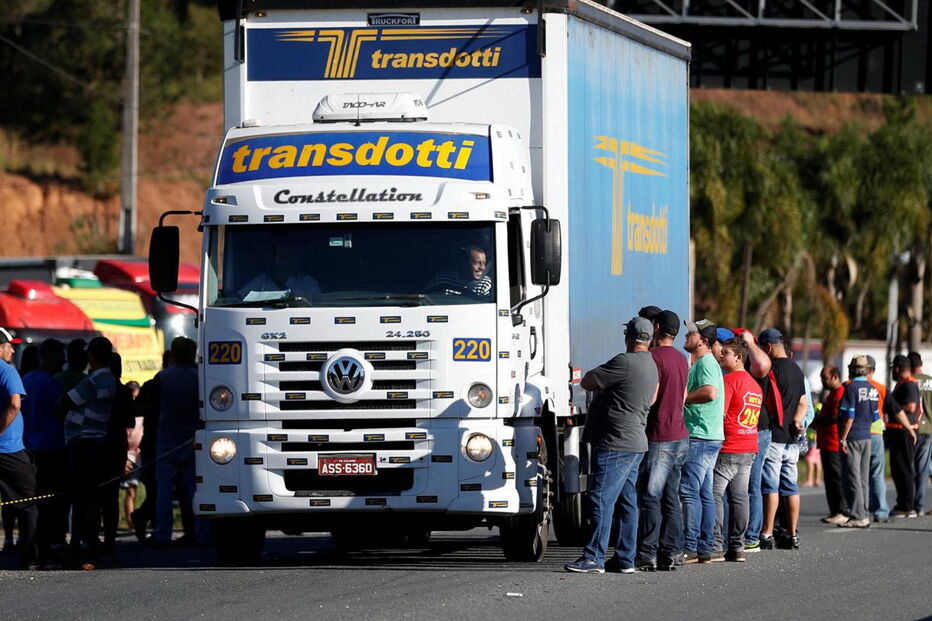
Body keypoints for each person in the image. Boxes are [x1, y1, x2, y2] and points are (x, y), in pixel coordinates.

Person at [565, 317, 658, 573]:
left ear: (628, 336)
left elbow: (588, 381)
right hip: (634, 441)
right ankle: (625, 558)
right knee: (627, 503)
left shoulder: (624, 362)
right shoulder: (650, 363)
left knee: (600, 499)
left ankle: (593, 557)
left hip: (616, 443)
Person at [55, 336, 117, 567]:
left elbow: (65, 402)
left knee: (83, 497)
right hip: (97, 441)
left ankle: (81, 545)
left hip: (84, 442)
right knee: (91, 496)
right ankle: (89, 542)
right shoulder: (109, 379)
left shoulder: (95, 380)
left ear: (91, 356)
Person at [635, 309, 689, 572]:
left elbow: (652, 397)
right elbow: (683, 395)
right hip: (680, 434)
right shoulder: (681, 358)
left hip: (660, 435)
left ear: (656, 328)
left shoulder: (654, 357)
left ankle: (647, 553)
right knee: (671, 497)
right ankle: (672, 551)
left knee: (650, 497)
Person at [757, 328, 807, 550]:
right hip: (792, 439)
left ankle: (767, 533)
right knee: (791, 487)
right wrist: (797, 420)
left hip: (774, 437)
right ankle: (792, 533)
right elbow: (803, 403)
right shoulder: (797, 370)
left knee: (771, 486)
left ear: (768, 347)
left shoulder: (771, 369)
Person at [679, 318, 724, 564]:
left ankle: (691, 545)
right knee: (704, 492)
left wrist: (684, 398)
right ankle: (705, 546)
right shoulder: (705, 362)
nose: (687, 336)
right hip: (708, 434)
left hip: (700, 434)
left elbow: (710, 392)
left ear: (703, 341)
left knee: (689, 491)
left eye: (692, 334)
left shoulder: (706, 362)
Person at [20, 338, 68, 567]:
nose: (63, 361)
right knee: (52, 499)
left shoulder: (26, 380)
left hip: (28, 445)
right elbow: (60, 412)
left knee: (33, 499)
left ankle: (33, 546)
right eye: (60, 357)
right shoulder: (51, 383)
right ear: (51, 357)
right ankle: (52, 545)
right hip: (52, 446)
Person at [712, 338, 760, 563]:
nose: (721, 356)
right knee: (740, 498)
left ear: (739, 357)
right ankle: (737, 546)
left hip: (729, 446)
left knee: (714, 494)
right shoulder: (755, 385)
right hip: (748, 446)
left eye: (726, 353)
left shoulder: (729, 381)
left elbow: (720, 413)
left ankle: (715, 544)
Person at [152, 337, 202, 546]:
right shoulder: (199, 377)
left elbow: (153, 407)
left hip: (167, 439)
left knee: (164, 489)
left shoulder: (162, 377)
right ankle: (202, 533)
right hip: (192, 440)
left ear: (173, 354)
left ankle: (162, 533)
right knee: (195, 489)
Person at [0, 327, 37, 569]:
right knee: (28, 503)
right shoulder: (7, 371)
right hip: (9, 450)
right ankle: (30, 557)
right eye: (9, 346)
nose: (13, 350)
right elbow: (15, 405)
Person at [131, 350, 172, 542]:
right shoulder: (153, 385)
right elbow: (136, 409)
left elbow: (137, 409)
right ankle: (147, 519)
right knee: (159, 488)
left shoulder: (151, 384)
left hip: (153, 444)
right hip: (157, 443)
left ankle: (151, 522)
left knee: (157, 488)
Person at [837, 356, 880, 529]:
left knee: (853, 477)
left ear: (852, 369)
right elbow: (875, 416)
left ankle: (857, 515)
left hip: (853, 436)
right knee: (863, 478)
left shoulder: (851, 388)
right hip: (867, 436)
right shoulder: (873, 389)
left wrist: (843, 437)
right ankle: (864, 513)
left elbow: (849, 416)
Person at [815, 365, 849, 524]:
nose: (822, 381)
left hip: (834, 442)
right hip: (825, 442)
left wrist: (819, 421)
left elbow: (837, 416)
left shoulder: (840, 393)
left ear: (835, 377)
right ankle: (835, 510)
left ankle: (842, 510)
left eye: (825, 377)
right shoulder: (831, 394)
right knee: (829, 479)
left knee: (836, 478)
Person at [888, 355, 920, 518]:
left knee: (904, 469)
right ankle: (902, 503)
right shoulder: (902, 384)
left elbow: (911, 406)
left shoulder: (908, 384)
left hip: (904, 432)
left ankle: (907, 506)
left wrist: (893, 409)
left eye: (893, 368)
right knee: (898, 469)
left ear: (898, 368)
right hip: (897, 431)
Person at [238, 242, 321, 299]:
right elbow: (241, 297)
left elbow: (315, 301)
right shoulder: (262, 280)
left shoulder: (307, 282)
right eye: (280, 255)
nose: (282, 259)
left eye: (287, 254)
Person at [864, 357, 890, 522]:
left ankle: (861, 510)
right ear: (873, 370)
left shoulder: (851, 386)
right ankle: (881, 511)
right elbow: (890, 409)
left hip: (858, 433)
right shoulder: (881, 388)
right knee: (877, 473)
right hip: (876, 432)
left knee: (859, 474)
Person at [909, 352, 932, 515]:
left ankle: (913, 504)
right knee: (923, 468)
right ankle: (919, 505)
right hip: (929, 429)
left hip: (913, 428)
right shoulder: (930, 381)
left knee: (911, 467)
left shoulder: (910, 381)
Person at [425, 245, 492, 299]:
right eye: (476, 263)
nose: (482, 268)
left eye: (484, 263)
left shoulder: (486, 284)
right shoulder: (441, 280)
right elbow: (426, 301)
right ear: (464, 263)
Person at [122, 380, 142, 530]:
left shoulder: (142, 412)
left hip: (137, 456)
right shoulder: (120, 411)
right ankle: (130, 523)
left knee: (132, 490)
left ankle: (133, 523)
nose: (133, 399)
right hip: (124, 455)